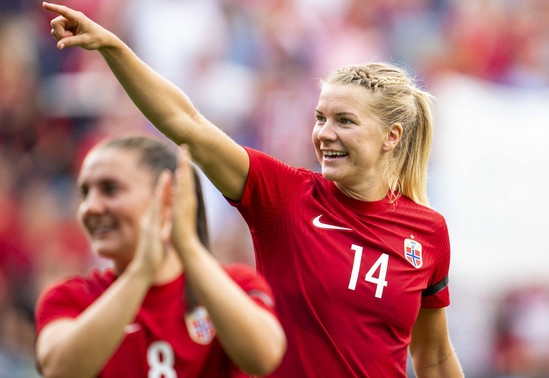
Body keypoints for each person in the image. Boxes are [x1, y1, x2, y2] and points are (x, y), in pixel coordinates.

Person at [42, 2, 464, 376]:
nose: (324, 134)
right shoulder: (284, 195)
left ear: (392, 136)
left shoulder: (428, 232)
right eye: (320, 118)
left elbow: (434, 357)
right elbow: (187, 122)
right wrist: (114, 49)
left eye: (345, 121)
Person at [34, 134, 286, 378]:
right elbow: (59, 370)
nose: (90, 207)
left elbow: (265, 356)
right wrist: (141, 271)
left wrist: (188, 247)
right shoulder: (70, 297)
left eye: (110, 189)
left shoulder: (236, 284)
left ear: (168, 198)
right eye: (85, 193)